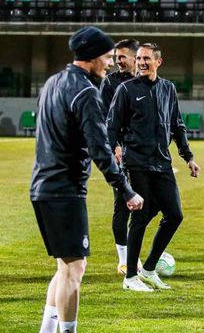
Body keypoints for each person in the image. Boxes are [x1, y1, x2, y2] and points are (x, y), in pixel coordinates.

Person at [30, 26, 143, 333]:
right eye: (107, 57)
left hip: (42, 186)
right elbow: (100, 149)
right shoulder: (87, 92)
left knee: (65, 267)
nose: (109, 64)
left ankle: (47, 329)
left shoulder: (52, 82)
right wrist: (126, 189)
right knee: (75, 268)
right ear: (92, 58)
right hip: (64, 190)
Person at [107, 43, 200, 292]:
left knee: (175, 215)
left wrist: (188, 157)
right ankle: (130, 278)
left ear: (159, 61)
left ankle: (148, 269)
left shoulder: (168, 88)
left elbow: (177, 125)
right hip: (136, 163)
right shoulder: (126, 89)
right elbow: (112, 126)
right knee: (139, 217)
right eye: (139, 58)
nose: (141, 62)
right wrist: (115, 149)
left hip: (162, 163)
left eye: (146, 58)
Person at [99, 38, 139, 276]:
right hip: (119, 153)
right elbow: (104, 120)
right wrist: (113, 145)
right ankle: (124, 260)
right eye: (115, 57)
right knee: (122, 204)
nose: (117, 61)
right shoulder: (110, 84)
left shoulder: (147, 82)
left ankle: (135, 256)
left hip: (144, 153)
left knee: (147, 206)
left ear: (136, 57)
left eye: (122, 56)